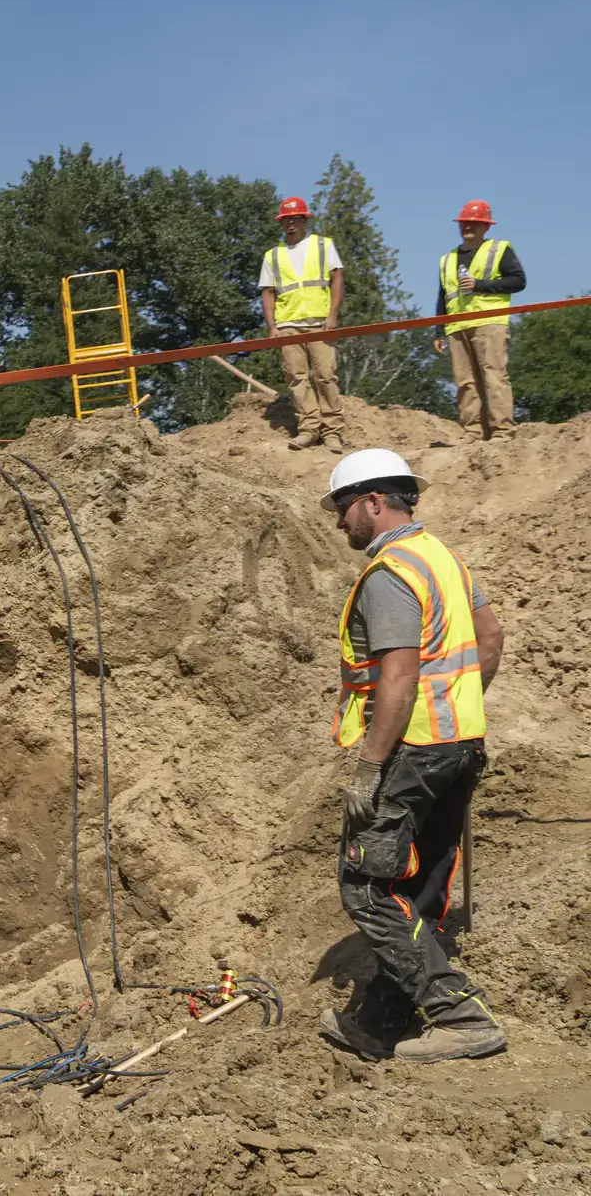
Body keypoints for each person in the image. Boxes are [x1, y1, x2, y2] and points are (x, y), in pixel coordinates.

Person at [320, 448, 507, 1064]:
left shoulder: (390, 574)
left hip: (415, 749)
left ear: (373, 502)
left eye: (344, 508)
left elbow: (397, 678)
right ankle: (382, 1019)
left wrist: (372, 763)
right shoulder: (443, 558)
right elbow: (490, 638)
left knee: (367, 887)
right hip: (459, 743)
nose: (340, 521)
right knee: (421, 882)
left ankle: (460, 1015)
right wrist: (461, 707)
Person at [432, 201, 525, 442]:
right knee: (465, 381)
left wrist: (480, 285)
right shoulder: (447, 259)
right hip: (457, 326)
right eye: (464, 223)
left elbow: (518, 281)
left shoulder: (499, 250)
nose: (468, 227)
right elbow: (443, 295)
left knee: (494, 376)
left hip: (489, 321)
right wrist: (438, 331)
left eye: (474, 223)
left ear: (486, 227)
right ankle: (472, 431)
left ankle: (503, 430)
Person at [260, 196, 346, 452]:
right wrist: (273, 327)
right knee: (297, 378)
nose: (291, 224)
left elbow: (337, 278)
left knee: (326, 376)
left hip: (319, 322)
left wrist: (333, 314)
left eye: (296, 218)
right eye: (286, 219)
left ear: (305, 220)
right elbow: (267, 292)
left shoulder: (323, 245)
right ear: (281, 223)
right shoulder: (273, 256)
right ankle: (309, 429)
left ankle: (332, 431)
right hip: (288, 323)